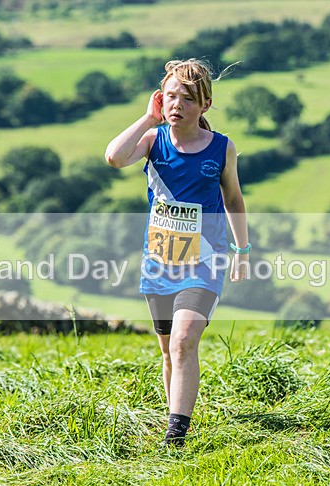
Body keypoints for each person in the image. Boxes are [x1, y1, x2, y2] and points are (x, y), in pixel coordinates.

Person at [105, 58, 249, 446]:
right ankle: (174, 418)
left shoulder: (222, 148)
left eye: (187, 98)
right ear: (160, 99)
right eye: (170, 96)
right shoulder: (154, 141)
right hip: (159, 262)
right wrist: (146, 119)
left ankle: (175, 436)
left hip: (205, 260)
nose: (177, 105)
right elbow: (115, 157)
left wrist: (242, 250)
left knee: (185, 339)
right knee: (169, 351)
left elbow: (233, 199)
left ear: (204, 105)